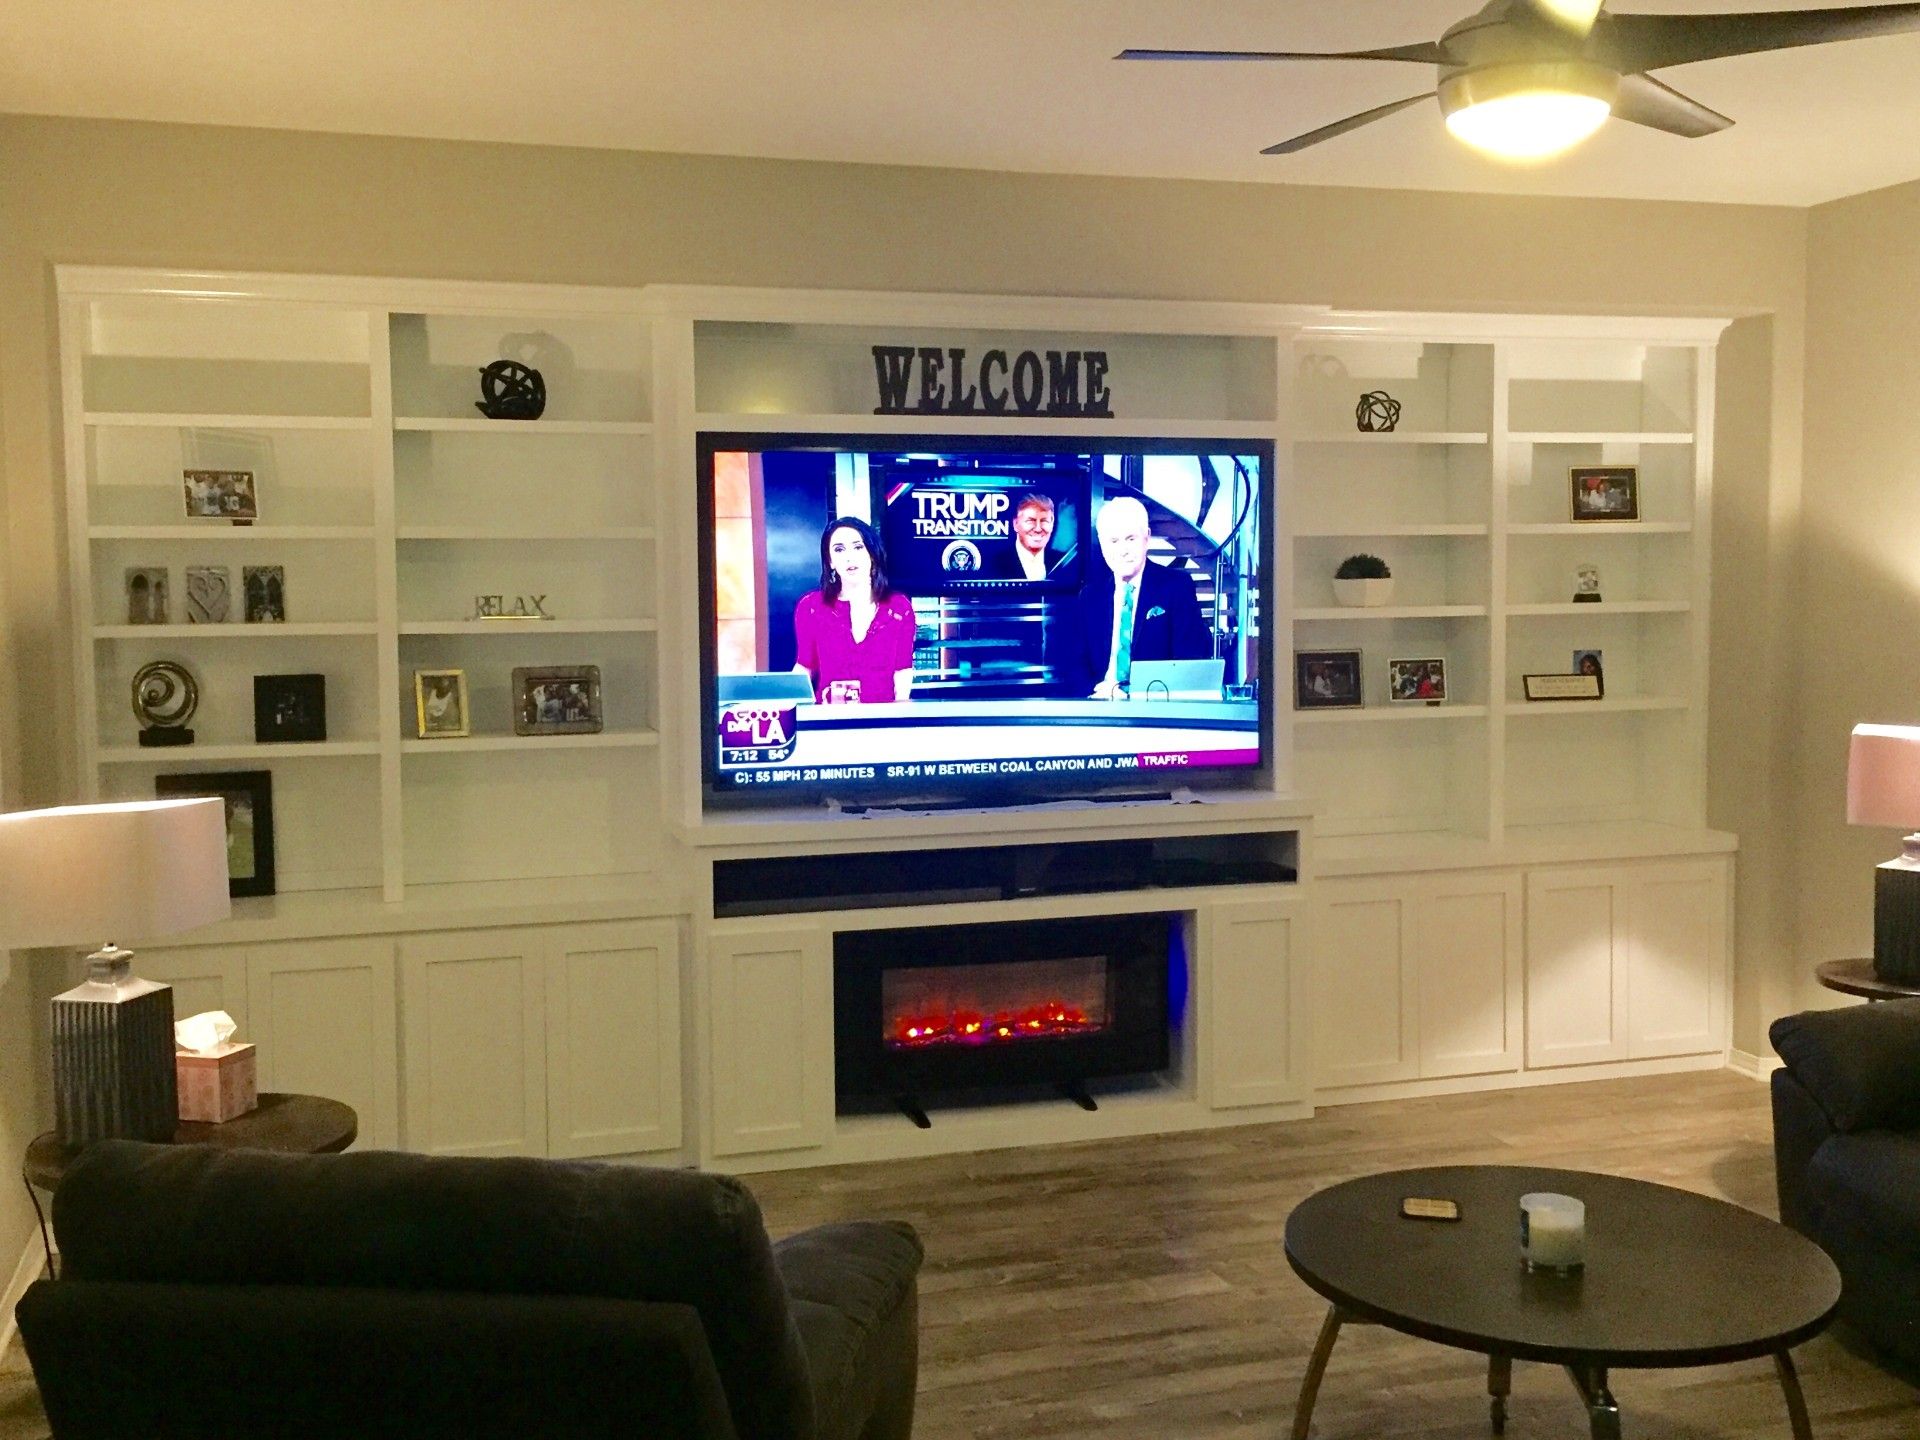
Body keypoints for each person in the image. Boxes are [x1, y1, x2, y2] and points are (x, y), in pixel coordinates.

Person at [1056, 494, 1209, 699]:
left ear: (1147, 538)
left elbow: (1189, 663)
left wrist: (1133, 695)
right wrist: (1097, 692)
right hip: (1100, 704)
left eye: (1130, 539)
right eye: (1113, 541)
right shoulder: (1090, 595)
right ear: (1102, 543)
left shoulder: (1176, 587)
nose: (1123, 551)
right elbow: (1075, 667)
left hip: (1154, 707)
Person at [792, 517, 917, 704]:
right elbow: (805, 666)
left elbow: (902, 669)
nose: (849, 557)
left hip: (882, 716)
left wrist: (900, 712)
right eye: (839, 549)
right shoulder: (811, 607)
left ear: (872, 554)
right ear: (830, 561)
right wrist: (791, 710)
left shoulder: (899, 608)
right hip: (828, 716)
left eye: (858, 547)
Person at [987, 492, 1063, 580]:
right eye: (1030, 521)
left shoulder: (1062, 562)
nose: (1038, 529)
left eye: (1044, 521)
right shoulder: (994, 564)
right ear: (1016, 524)